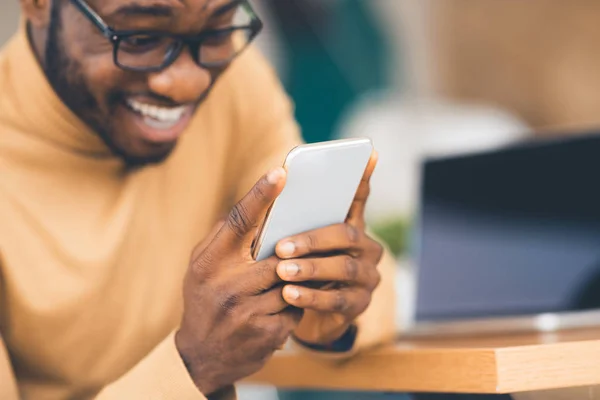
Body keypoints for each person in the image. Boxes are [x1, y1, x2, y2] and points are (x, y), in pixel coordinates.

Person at [0, 0, 397, 399]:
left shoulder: (234, 84)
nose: (189, 84)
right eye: (140, 38)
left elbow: (374, 284)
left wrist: (325, 310)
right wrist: (195, 364)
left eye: (217, 32)